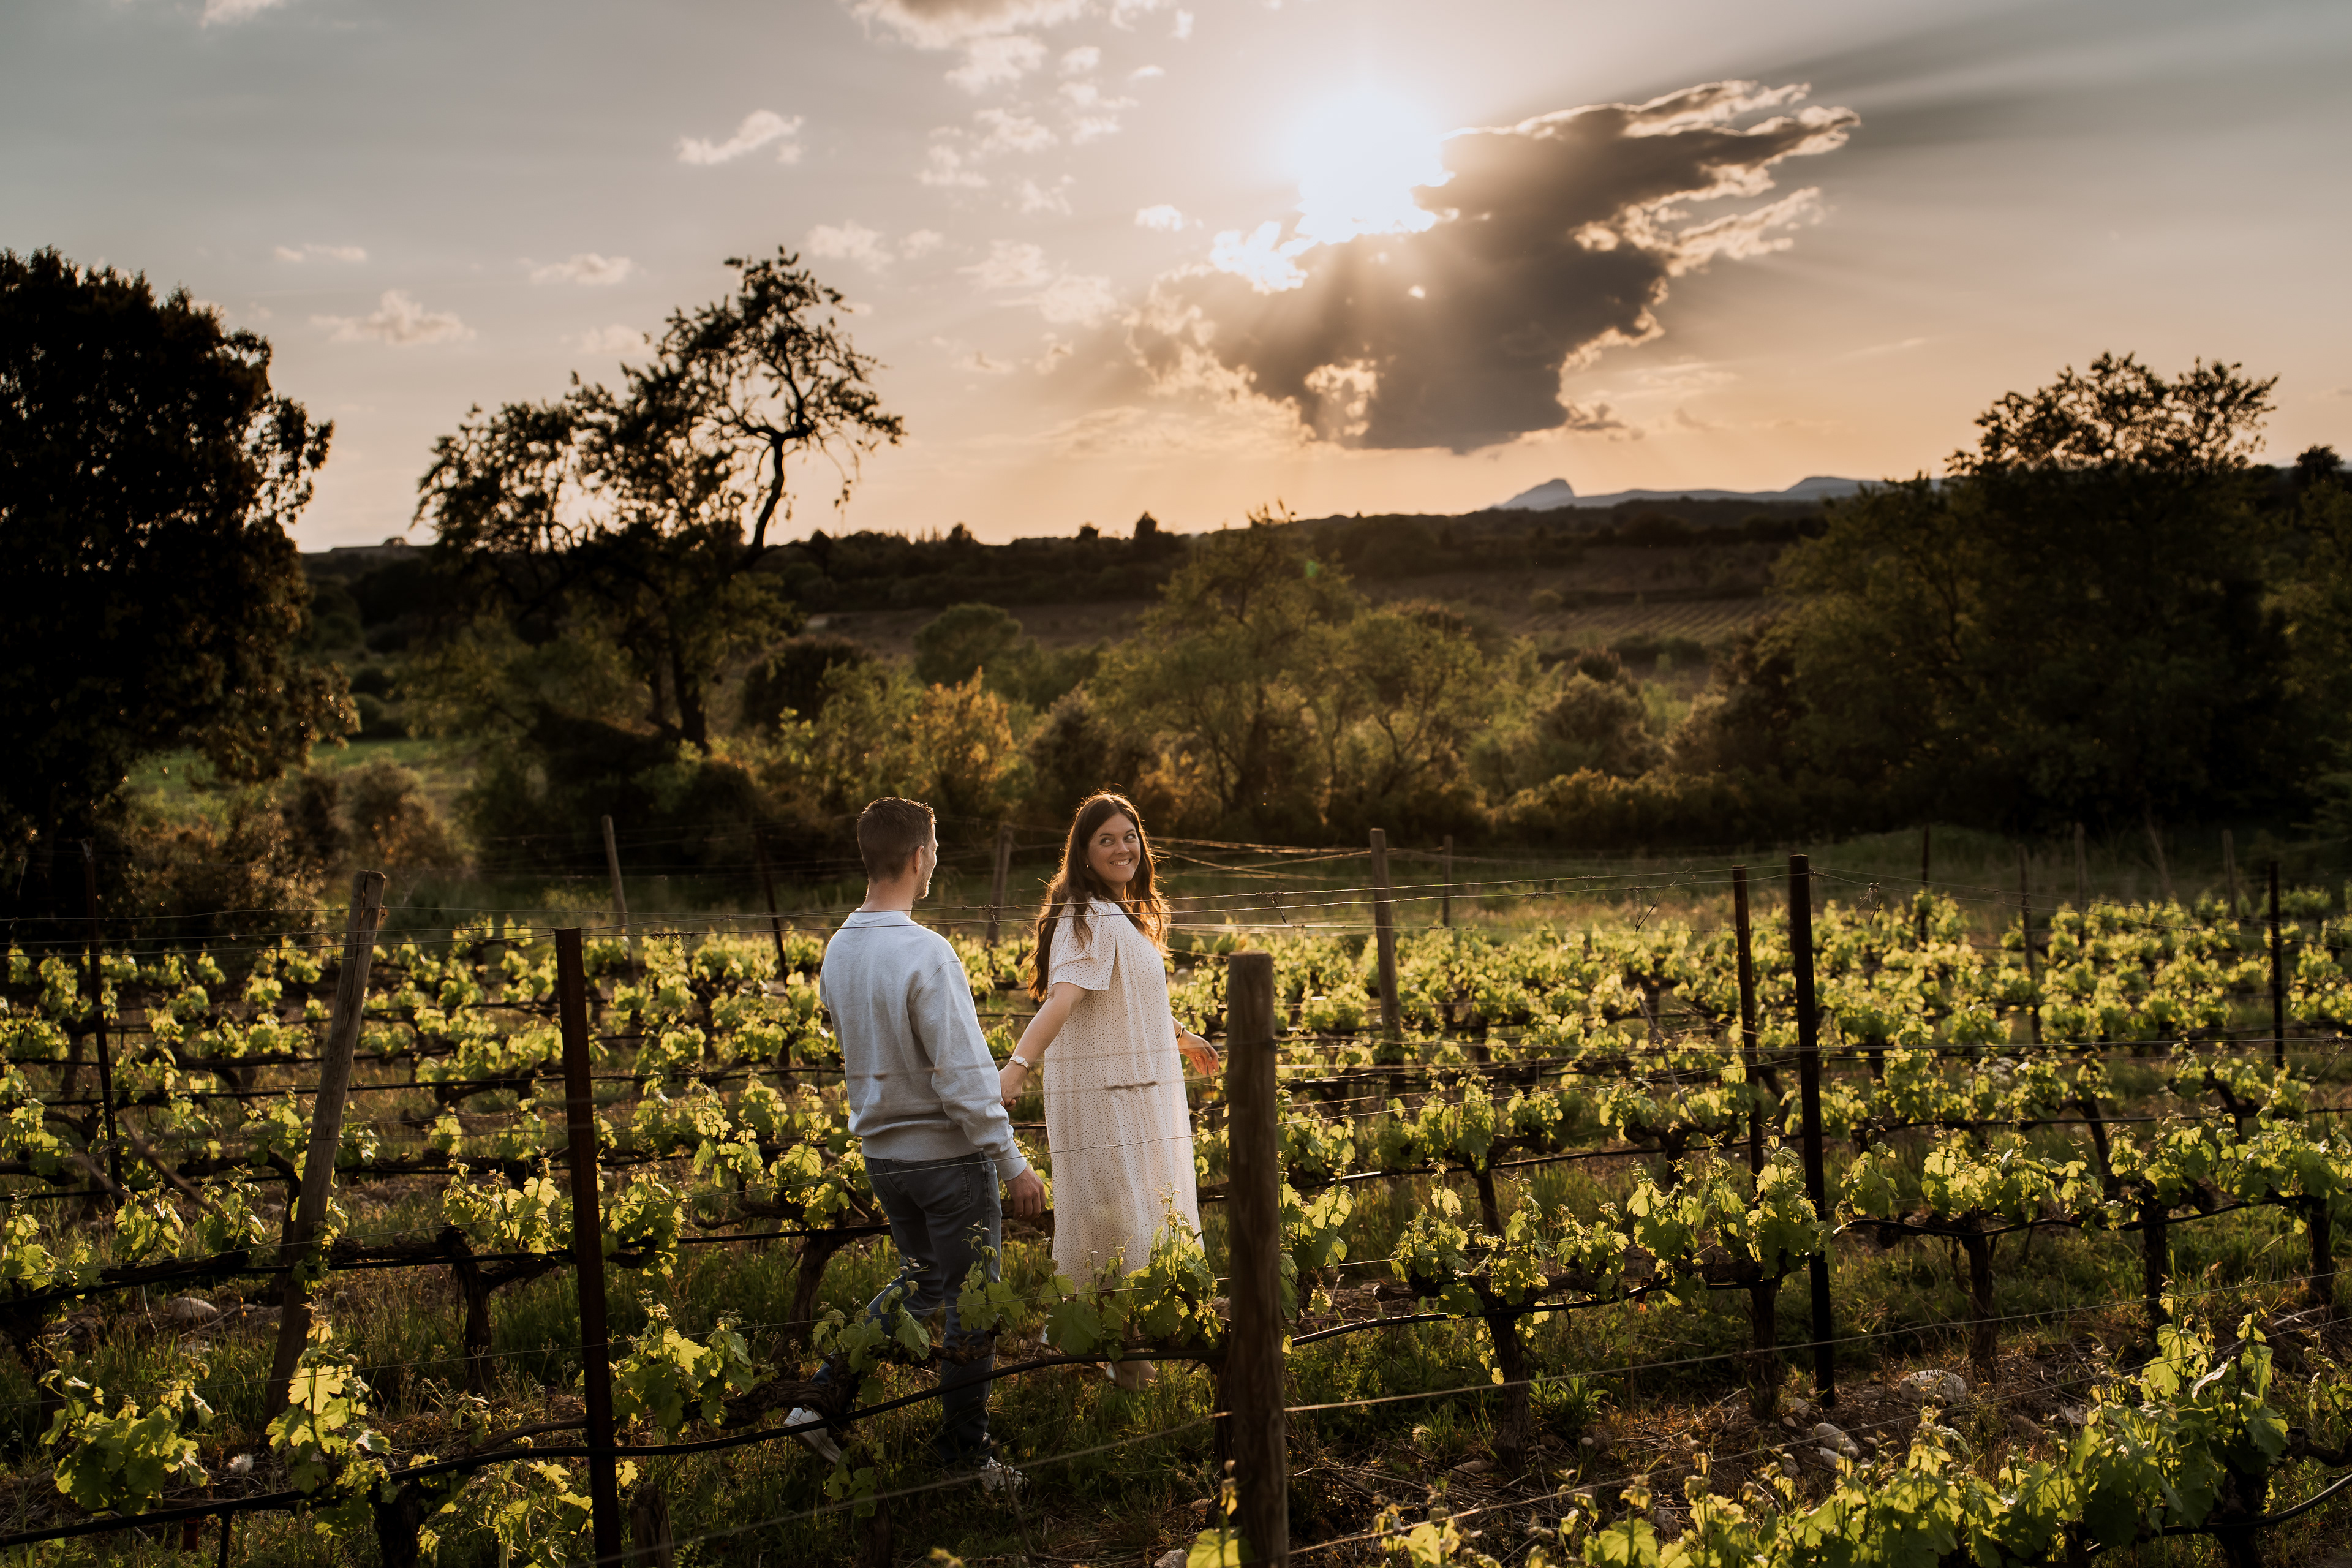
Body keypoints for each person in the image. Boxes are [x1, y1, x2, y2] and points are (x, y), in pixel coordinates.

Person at [786, 797, 1045, 1490]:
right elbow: (962, 1078)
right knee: (973, 1305)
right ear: (918, 857)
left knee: (921, 1281)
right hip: (948, 1162)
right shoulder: (926, 952)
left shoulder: (840, 947)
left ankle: (820, 1399)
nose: (936, 858)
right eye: (935, 847)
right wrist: (1012, 1161)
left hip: (884, 1157)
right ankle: (967, 1457)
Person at [998, 790, 1218, 1390]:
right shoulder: (1090, 914)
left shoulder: (1120, 914)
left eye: (1129, 836)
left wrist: (1180, 1033)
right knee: (1124, 1223)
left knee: (1134, 1218)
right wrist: (1016, 1066)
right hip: (1106, 1096)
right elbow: (1062, 1001)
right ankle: (1120, 1357)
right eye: (1106, 839)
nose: (1122, 847)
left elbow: (1130, 997)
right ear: (1085, 853)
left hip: (1137, 1088)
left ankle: (1092, 1345)